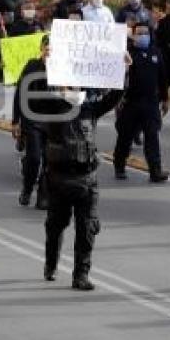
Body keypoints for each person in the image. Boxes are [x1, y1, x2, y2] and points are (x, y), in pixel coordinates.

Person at [39, 75, 129, 290]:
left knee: (87, 228)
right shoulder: (51, 107)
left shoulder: (90, 109)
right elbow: (34, 98)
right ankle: (51, 263)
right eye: (68, 83)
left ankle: (81, 274)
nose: (73, 87)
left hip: (87, 179)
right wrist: (47, 67)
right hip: (59, 179)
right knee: (55, 226)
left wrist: (124, 70)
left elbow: (115, 96)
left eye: (76, 83)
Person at [112, 22, 170, 183]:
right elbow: (118, 78)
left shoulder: (156, 53)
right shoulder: (128, 54)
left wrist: (165, 99)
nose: (142, 36)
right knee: (125, 137)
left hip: (151, 103)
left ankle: (155, 171)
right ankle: (119, 166)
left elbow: (163, 78)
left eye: (145, 33)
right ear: (133, 35)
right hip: (131, 103)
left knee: (152, 137)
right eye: (139, 33)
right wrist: (117, 101)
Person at [12, 35, 51, 209]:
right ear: (42, 48)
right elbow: (20, 93)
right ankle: (27, 189)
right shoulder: (31, 66)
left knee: (50, 161)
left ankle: (43, 195)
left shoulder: (64, 69)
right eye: (47, 47)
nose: (50, 50)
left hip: (54, 122)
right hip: (32, 120)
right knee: (34, 158)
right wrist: (15, 121)